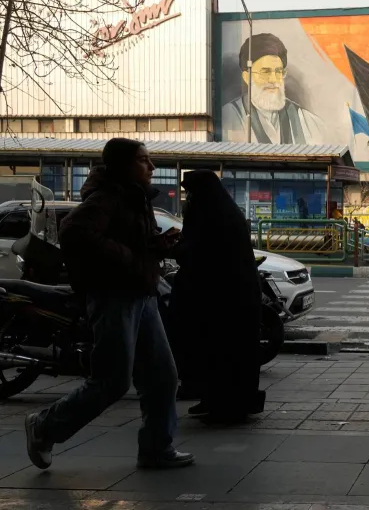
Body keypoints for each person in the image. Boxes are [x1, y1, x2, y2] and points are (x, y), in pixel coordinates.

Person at [25, 138, 193, 470]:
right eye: (144, 160)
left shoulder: (134, 197)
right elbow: (75, 233)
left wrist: (155, 245)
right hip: (115, 296)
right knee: (112, 381)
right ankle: (45, 425)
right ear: (123, 165)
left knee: (162, 376)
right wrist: (133, 257)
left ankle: (157, 448)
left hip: (141, 294)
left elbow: (128, 241)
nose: (152, 167)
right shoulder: (107, 196)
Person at [171, 170, 266, 424]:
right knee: (230, 352)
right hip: (233, 295)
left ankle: (222, 406)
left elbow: (197, 252)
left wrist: (172, 248)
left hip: (220, 298)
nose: (188, 197)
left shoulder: (208, 214)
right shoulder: (223, 210)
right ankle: (221, 402)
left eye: (190, 192)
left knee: (219, 352)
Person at [221, 33, 327, 144]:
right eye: (265, 72)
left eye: (278, 72)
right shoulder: (229, 117)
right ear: (247, 77)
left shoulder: (309, 123)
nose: (273, 79)